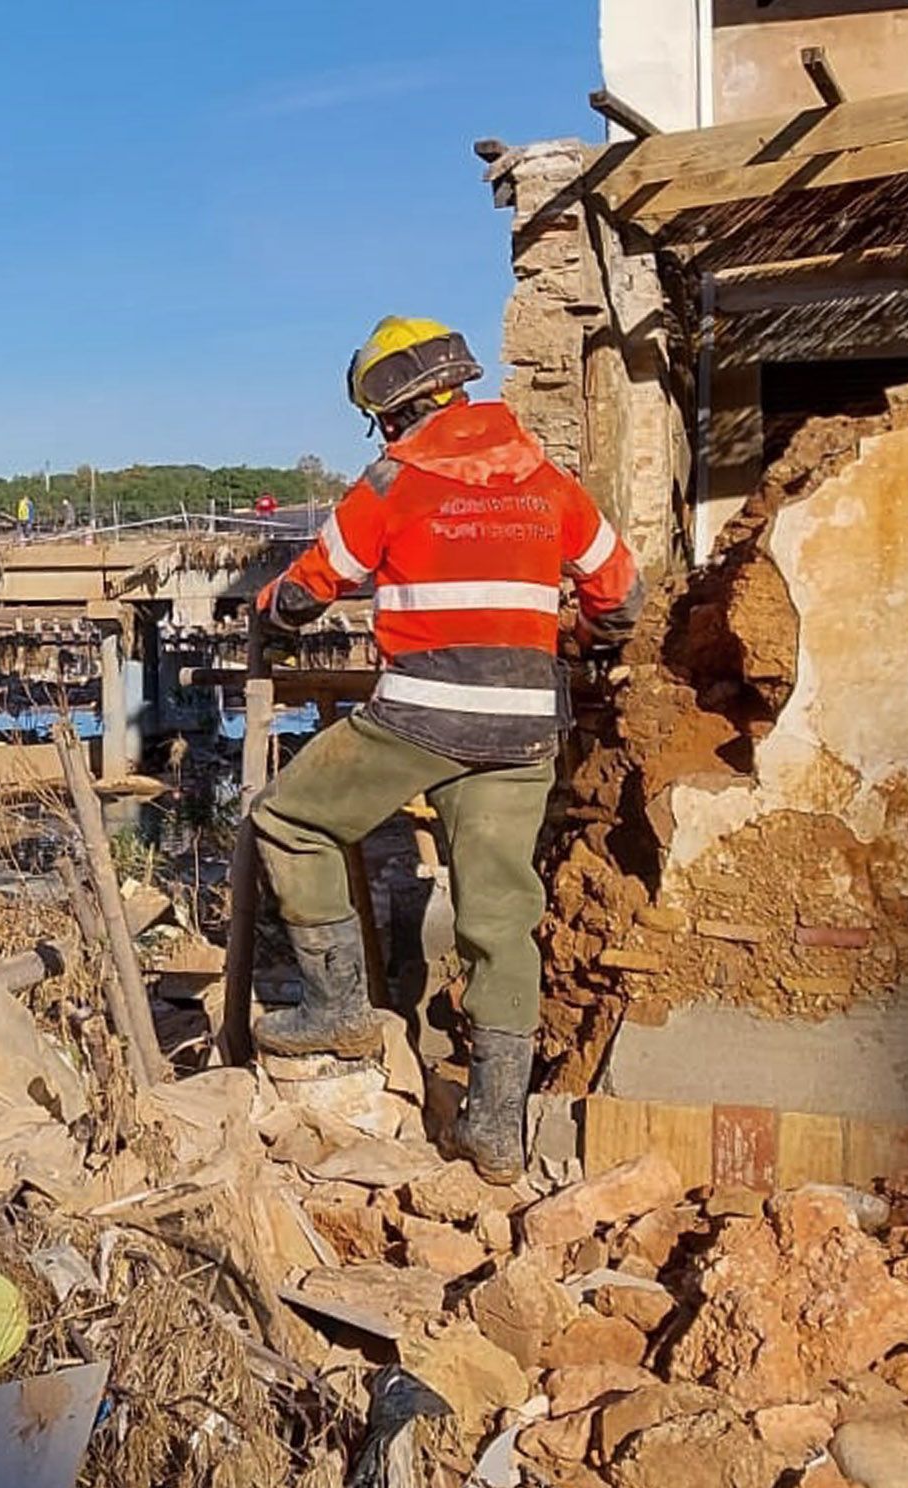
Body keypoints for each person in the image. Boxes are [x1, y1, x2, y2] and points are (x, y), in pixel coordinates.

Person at [248, 316, 644, 1183]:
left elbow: (314, 583)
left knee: (289, 819)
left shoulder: (393, 481)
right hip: (523, 729)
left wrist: (268, 612)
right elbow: (621, 593)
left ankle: (337, 1007)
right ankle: (496, 1130)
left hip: (418, 720)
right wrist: (578, 634)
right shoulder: (547, 480)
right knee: (499, 919)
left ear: (391, 409)